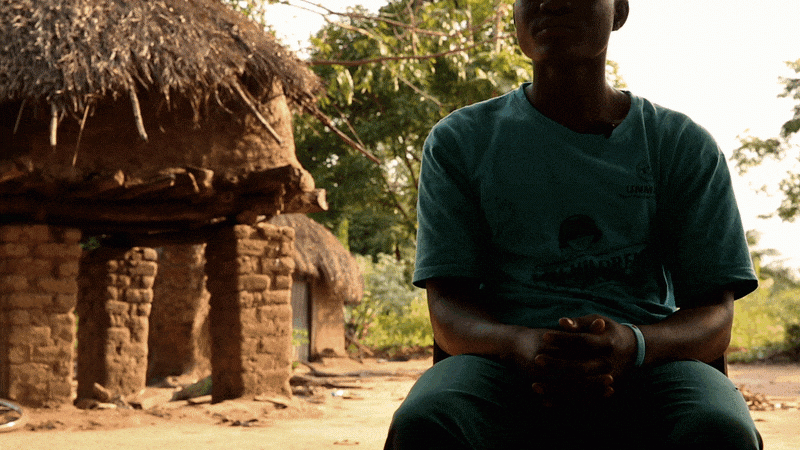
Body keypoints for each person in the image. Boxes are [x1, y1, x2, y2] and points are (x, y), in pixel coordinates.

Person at [384, 1, 763, 449]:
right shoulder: (461, 141)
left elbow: (715, 318)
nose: (549, 1)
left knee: (720, 430)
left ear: (619, 12)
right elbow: (448, 311)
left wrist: (631, 344)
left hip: (650, 364)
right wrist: (521, 344)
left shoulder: (680, 145)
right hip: (502, 365)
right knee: (428, 422)